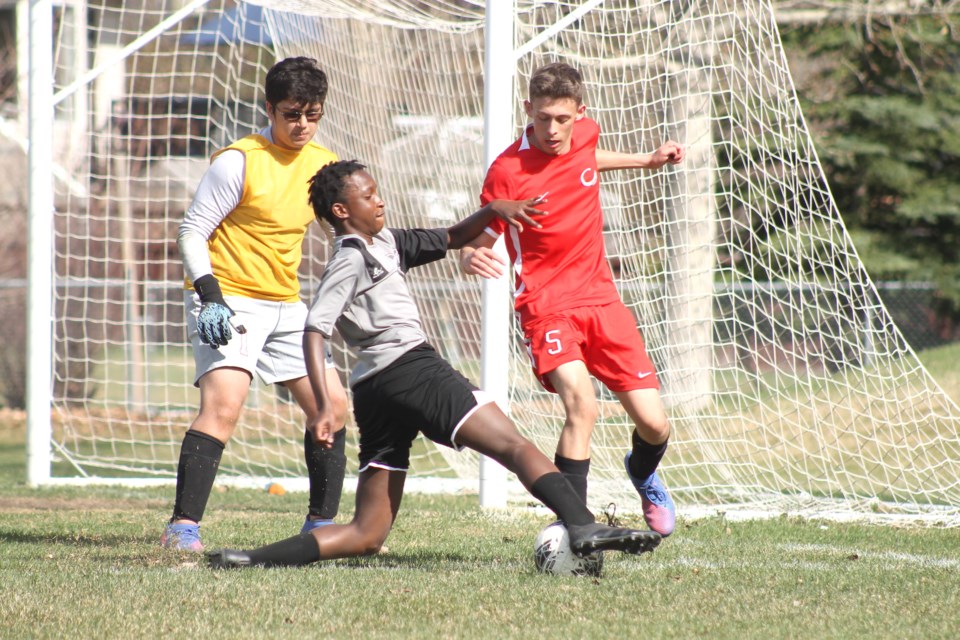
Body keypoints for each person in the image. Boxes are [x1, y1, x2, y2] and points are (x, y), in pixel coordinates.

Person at [204, 160, 662, 568]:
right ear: (341, 211)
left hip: (376, 392)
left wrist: (495, 210)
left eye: (376, 190)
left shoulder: (385, 241)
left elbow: (453, 237)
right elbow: (314, 328)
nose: (379, 200)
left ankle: (248, 559)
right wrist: (323, 404)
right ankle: (583, 527)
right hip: (410, 370)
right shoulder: (349, 256)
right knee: (515, 447)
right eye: (367, 196)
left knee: (367, 534)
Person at [459, 62, 685, 537]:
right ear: (529, 111)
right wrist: (470, 257)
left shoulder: (584, 134)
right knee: (583, 404)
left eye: (563, 119)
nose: (554, 129)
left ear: (580, 113)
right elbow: (481, 236)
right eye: (543, 118)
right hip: (545, 306)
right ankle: (576, 530)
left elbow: (587, 158)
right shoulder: (506, 170)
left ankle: (642, 473)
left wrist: (645, 160)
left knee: (655, 425)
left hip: (602, 299)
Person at [161, 57, 350, 551]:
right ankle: (182, 528)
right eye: (292, 114)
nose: (302, 125)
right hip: (228, 299)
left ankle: (320, 525)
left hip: (286, 303)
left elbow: (350, 230)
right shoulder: (239, 160)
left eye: (312, 114)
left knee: (333, 407)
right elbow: (192, 231)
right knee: (224, 406)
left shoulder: (323, 166)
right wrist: (211, 298)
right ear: (269, 108)